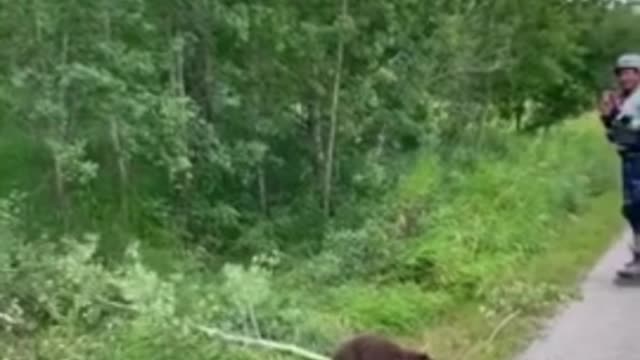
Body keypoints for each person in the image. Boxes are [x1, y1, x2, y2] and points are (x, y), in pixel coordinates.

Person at [599, 52, 640, 277]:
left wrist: (620, 120)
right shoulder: (626, 99)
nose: (623, 78)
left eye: (628, 73)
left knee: (637, 205)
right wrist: (609, 116)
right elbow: (615, 131)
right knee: (633, 208)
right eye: (621, 74)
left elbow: (630, 126)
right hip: (630, 158)